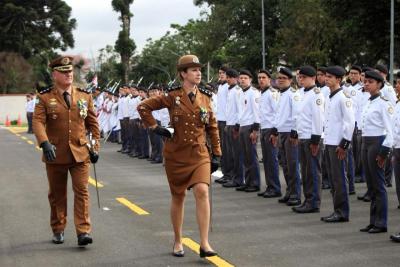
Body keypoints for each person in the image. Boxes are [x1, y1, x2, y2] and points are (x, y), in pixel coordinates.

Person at [137, 55, 221, 258]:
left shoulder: (206, 98)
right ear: (183, 74)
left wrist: (217, 153)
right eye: (193, 70)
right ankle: (177, 240)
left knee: (202, 190)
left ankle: (204, 243)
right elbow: (143, 107)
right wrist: (156, 128)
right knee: (179, 196)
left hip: (199, 153)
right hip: (176, 154)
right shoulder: (171, 96)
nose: (198, 73)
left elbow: (213, 127)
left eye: (199, 69)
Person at [32, 55, 100, 246]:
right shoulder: (45, 97)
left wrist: (95, 147)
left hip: (80, 152)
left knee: (82, 191)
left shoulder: (84, 96)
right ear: (55, 75)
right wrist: (44, 143)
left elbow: (93, 125)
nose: (69, 74)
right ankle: (58, 228)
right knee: (57, 194)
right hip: (55, 153)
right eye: (64, 72)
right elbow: (37, 122)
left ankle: (83, 231)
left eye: (70, 71)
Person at [359, 71, 393, 234]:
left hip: (378, 142)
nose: (366, 84)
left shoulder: (384, 103)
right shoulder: (368, 101)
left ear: (379, 84)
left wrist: (384, 152)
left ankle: (381, 222)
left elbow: (390, 130)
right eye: (365, 81)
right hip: (366, 141)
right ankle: (373, 221)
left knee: (378, 184)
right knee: (371, 184)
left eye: (370, 82)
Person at [320, 66, 355, 223]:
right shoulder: (329, 96)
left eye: (330, 77)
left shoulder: (343, 97)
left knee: (339, 178)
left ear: (338, 80)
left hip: (338, 144)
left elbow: (350, 122)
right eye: (326, 76)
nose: (326, 78)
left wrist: (344, 144)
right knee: (334, 178)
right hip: (329, 141)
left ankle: (342, 212)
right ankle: (337, 210)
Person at [292, 66, 324, 213]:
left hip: (312, 138)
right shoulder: (303, 93)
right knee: (305, 171)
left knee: (312, 171)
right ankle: (308, 199)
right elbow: (300, 117)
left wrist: (315, 140)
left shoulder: (316, 94)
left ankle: (314, 202)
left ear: (313, 78)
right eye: (299, 77)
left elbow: (318, 118)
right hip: (303, 136)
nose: (301, 79)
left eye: (304, 77)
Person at [271, 67, 301, 206]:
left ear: (290, 80)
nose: (281, 80)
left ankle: (296, 194)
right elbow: (278, 115)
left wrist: (294, 133)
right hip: (281, 132)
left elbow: (296, 114)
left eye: (284, 78)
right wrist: (275, 131)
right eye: (279, 78)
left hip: (290, 133)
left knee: (292, 164)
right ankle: (289, 191)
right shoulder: (279, 94)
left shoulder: (293, 94)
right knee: (285, 164)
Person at [235, 69, 261, 193]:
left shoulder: (254, 93)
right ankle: (248, 181)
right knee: (245, 157)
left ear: (250, 80)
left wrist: (255, 130)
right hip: (242, 125)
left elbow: (257, 112)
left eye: (245, 78)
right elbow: (240, 112)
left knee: (251, 156)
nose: (243, 80)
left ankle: (255, 183)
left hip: (250, 126)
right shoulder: (240, 92)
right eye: (241, 78)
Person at [257, 69, 281, 198]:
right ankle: (270, 186)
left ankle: (275, 187)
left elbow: (278, 113)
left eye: (263, 78)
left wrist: (275, 131)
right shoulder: (262, 93)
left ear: (269, 80)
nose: (261, 80)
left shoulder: (272, 94)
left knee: (272, 160)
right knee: (266, 160)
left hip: (271, 129)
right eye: (259, 78)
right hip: (264, 128)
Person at [221, 68, 245, 188]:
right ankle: (234, 177)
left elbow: (240, 110)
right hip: (229, 124)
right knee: (231, 153)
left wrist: (237, 125)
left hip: (235, 125)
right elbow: (229, 110)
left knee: (237, 154)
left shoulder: (237, 91)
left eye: (230, 77)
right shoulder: (230, 90)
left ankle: (239, 178)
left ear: (236, 78)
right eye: (228, 77)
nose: (228, 79)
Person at [215, 66, 230, 184]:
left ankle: (230, 174)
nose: (220, 75)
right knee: (223, 149)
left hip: (227, 121)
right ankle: (225, 173)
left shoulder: (229, 87)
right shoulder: (220, 86)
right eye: (219, 73)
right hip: (220, 120)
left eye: (223, 73)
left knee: (228, 149)